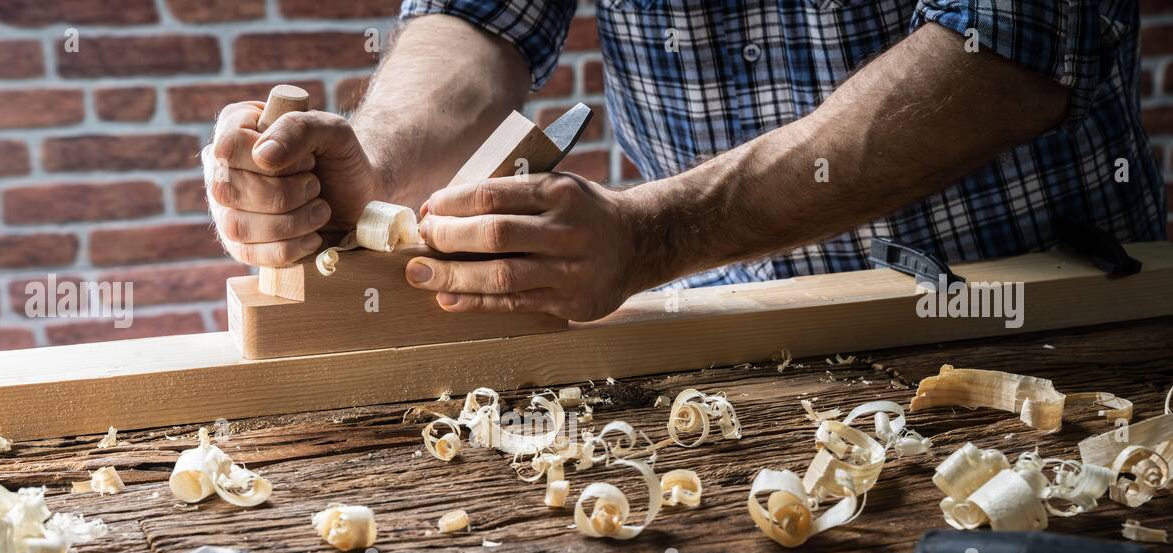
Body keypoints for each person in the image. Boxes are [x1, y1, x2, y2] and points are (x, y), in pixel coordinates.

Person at [204, 2, 1165, 322]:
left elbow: (1018, 44)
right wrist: (376, 156)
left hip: (1031, 302)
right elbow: (479, 16)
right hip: (722, 327)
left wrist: (660, 229)